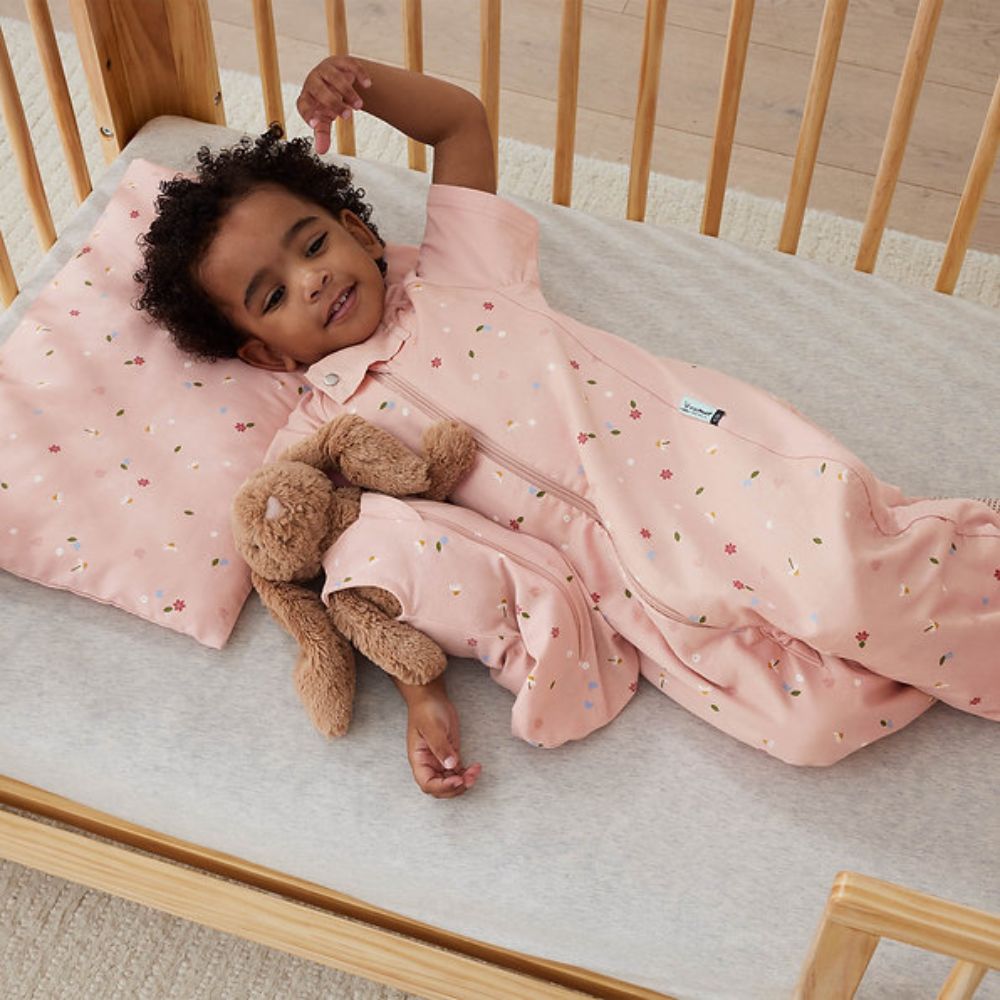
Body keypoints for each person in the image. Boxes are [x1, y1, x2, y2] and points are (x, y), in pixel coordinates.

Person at [135, 56, 999, 798]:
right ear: (267, 355)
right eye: (273, 294)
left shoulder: (458, 277)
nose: (312, 279)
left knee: (845, 587)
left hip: (699, 467)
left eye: (313, 244)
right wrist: (422, 694)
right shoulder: (317, 444)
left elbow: (460, 124)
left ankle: (954, 565)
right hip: (621, 585)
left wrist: (365, 84)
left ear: (358, 230)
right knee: (811, 725)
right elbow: (366, 575)